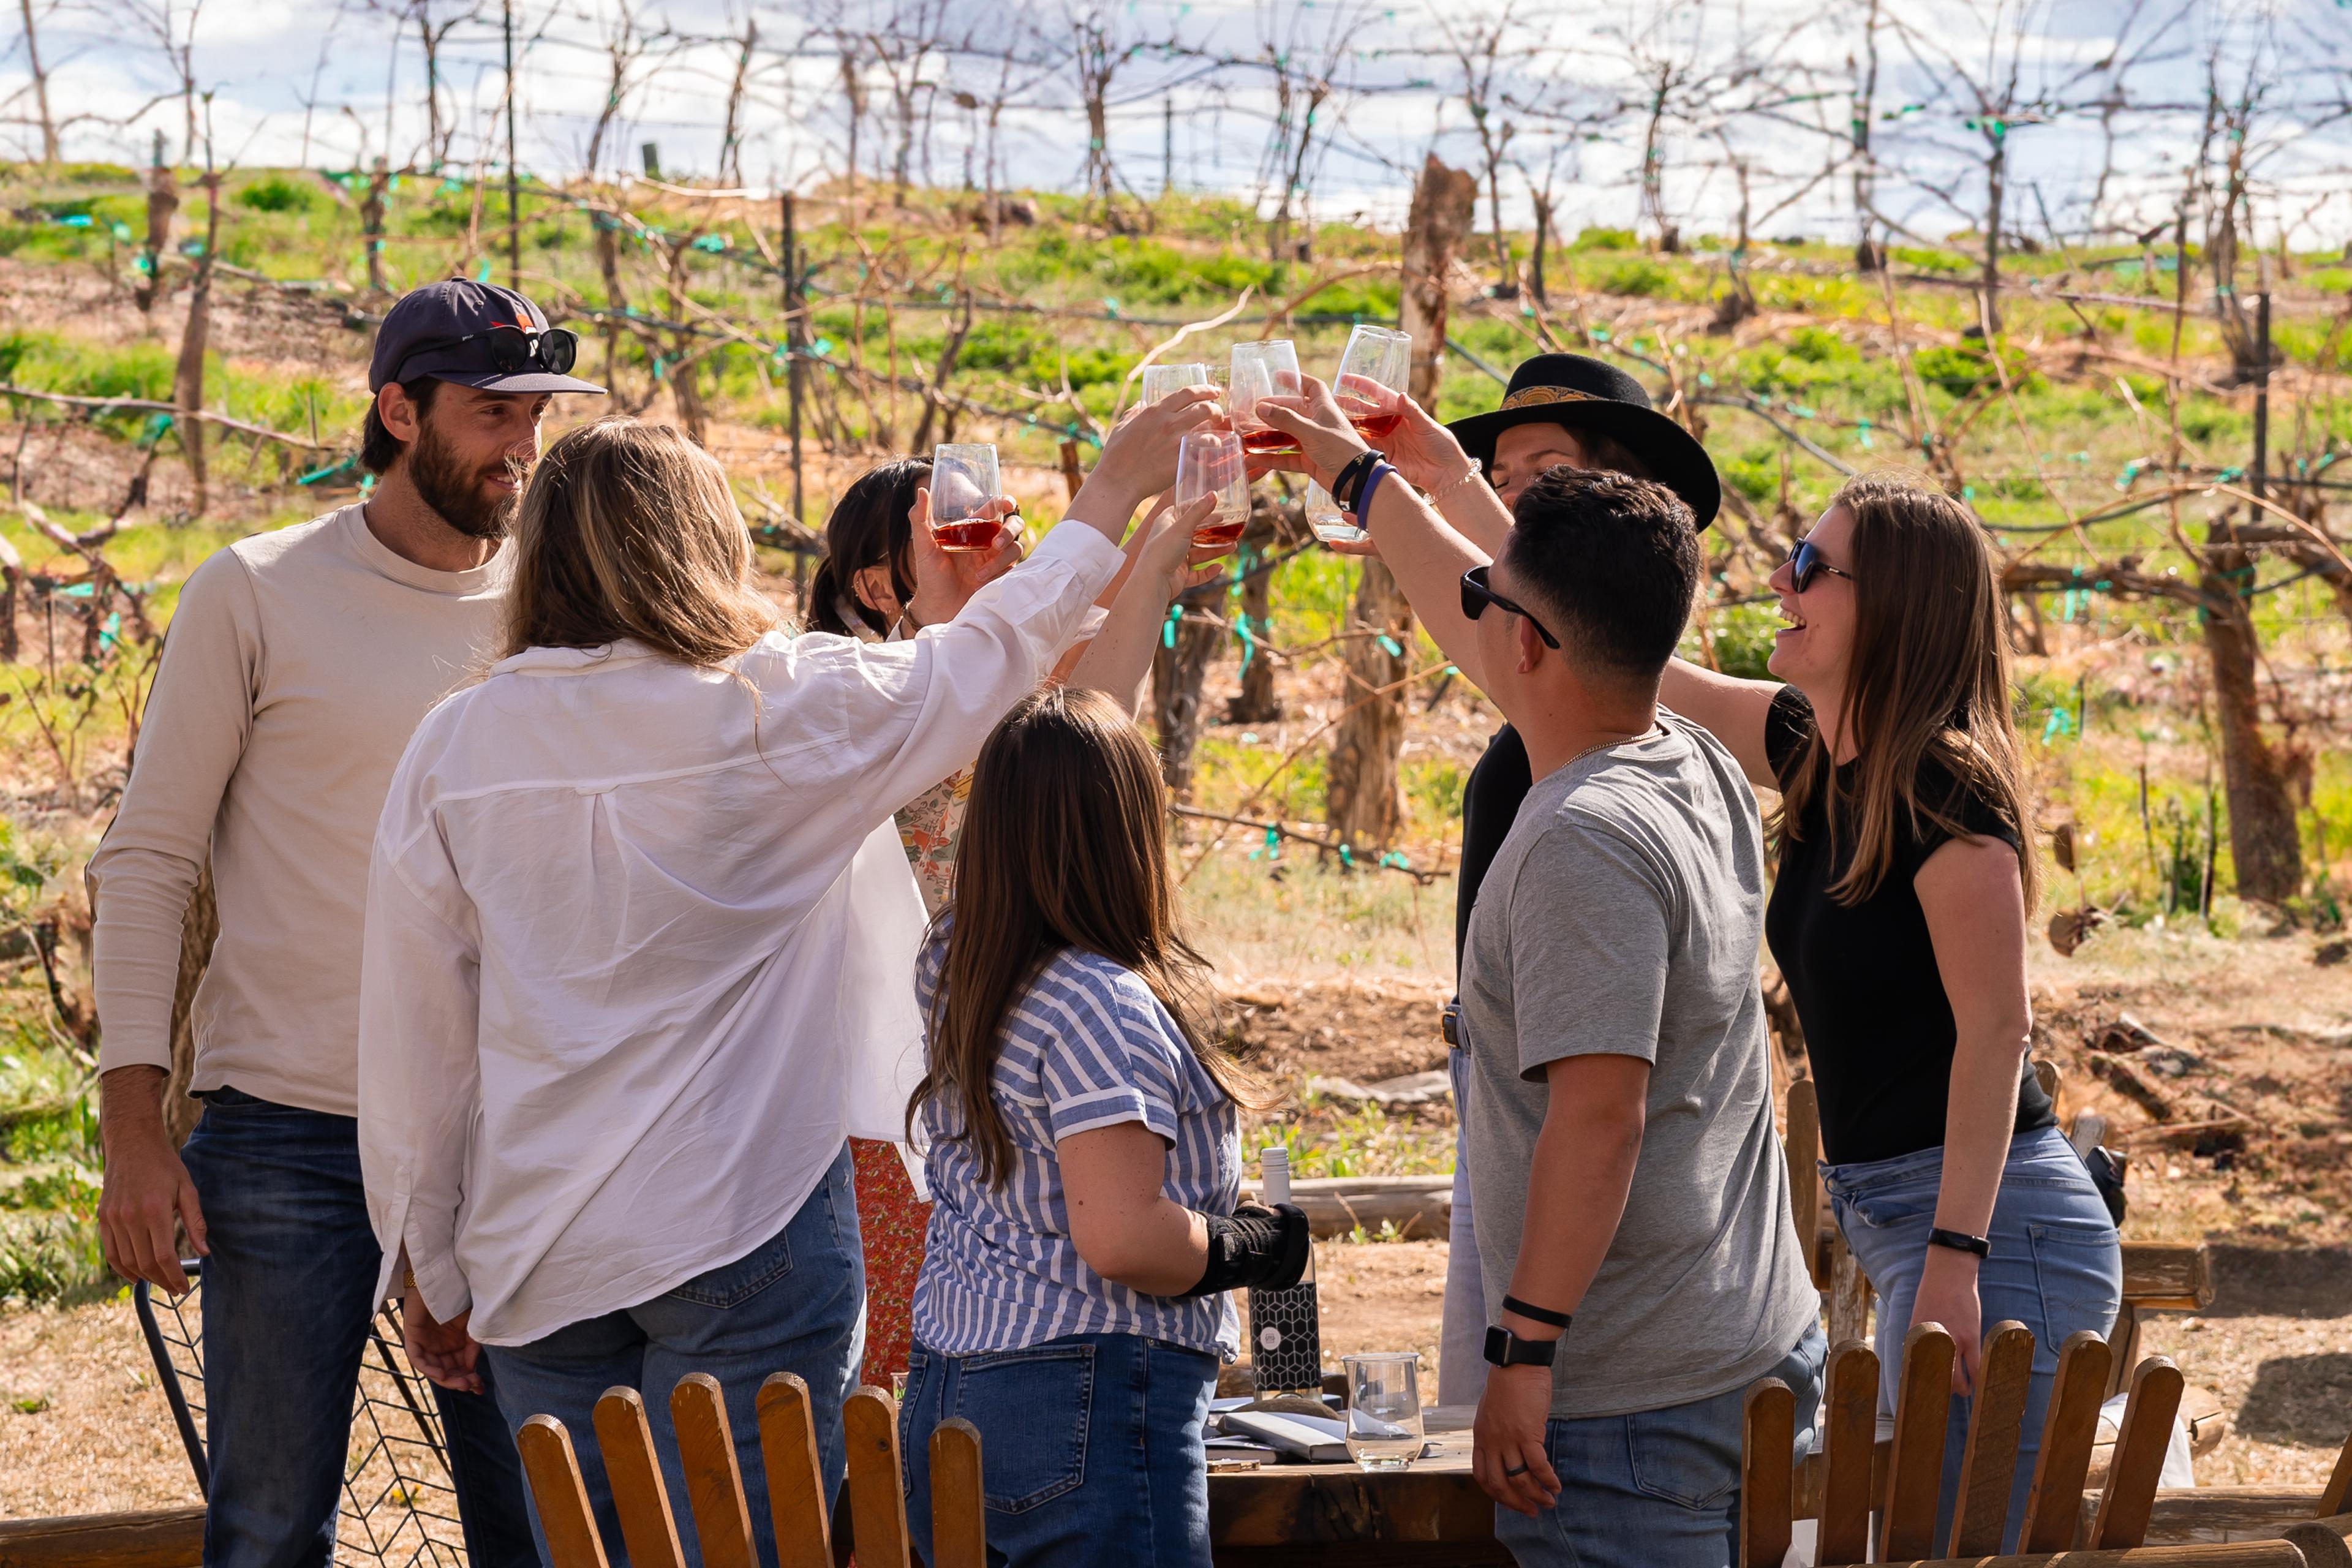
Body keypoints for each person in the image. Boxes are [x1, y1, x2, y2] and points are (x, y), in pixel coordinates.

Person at [356, 397, 1222, 1568]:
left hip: (535, 1249)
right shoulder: (773, 703)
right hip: (743, 1219)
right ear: (704, 546)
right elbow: (983, 664)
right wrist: (1111, 495)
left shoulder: (454, 746)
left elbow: (419, 1035)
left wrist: (432, 1259)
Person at [1254, 382, 1822, 1567]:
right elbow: (1477, 594)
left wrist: (1524, 1347)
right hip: (1734, 1337)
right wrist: (1358, 476)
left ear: (1520, 640)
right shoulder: (1686, 750)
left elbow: (1600, 1116)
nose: (1474, 614)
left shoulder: (1582, 838)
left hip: (1626, 1398)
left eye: (1491, 603)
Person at [88, 279, 598, 1568]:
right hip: (288, 1139)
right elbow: (146, 863)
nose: (522, 448)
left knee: (539, 1532)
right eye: (492, 414)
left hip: (502, 1146)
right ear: (396, 407)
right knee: (268, 1532)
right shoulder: (251, 593)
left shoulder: (563, 606)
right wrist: (134, 1133)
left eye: (535, 417)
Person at [1657, 472, 2117, 1550]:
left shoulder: (1949, 801)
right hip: (1920, 1223)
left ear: (1896, 608)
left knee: (1959, 1551)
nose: (1783, 577)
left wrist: (1957, 1255)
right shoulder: (1820, 756)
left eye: (1814, 566)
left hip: (1996, 1240)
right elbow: (1623, 643)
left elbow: (1997, 1031)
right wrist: (1418, 485)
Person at [1315, 353, 1724, 1410]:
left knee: (1512, 1408)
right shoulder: (1636, 730)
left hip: (1564, 1113)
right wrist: (1429, 483)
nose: (1513, 507)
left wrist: (1529, 1355)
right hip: (1512, 1081)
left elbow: (1599, 1115)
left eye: (1543, 477)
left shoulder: (1619, 743)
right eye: (1504, 481)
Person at [895, 685, 1308, 1568]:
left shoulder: (957, 959)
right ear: (1126, 834)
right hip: (1082, 1391)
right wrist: (1249, 1248)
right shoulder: (1098, 1003)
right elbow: (1121, 1238)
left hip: (948, 1384)